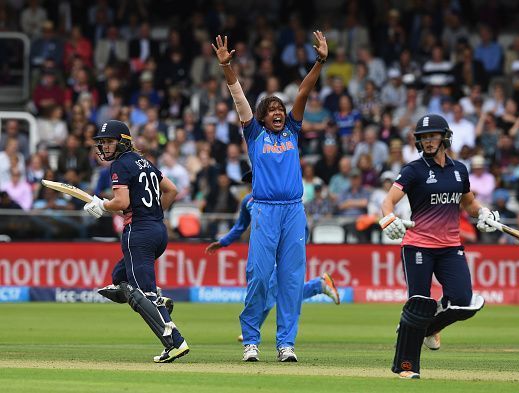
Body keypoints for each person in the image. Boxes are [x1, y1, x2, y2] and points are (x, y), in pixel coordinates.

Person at [212, 31, 328, 362]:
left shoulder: (292, 130)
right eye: (272, 109)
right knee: (260, 277)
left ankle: (285, 344)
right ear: (263, 117)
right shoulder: (254, 134)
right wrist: (227, 67)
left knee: (291, 282)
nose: (278, 112)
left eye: (280, 108)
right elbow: (238, 98)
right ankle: (251, 339)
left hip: (293, 211)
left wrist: (320, 61)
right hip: (264, 210)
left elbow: (304, 90)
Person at [379, 114, 500, 379]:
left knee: (464, 302)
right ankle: (405, 366)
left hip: (450, 247)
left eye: (432, 135)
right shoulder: (414, 170)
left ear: (444, 137)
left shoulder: (460, 170)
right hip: (418, 245)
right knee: (419, 304)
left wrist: (483, 213)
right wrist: (388, 218)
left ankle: (426, 329)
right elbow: (388, 202)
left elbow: (468, 204)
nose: (427, 141)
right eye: (423, 137)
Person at [83, 120, 189, 363]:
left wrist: (102, 205)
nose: (104, 147)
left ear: (122, 142)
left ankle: (176, 342)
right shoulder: (145, 163)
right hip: (158, 231)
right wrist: (153, 213)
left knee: (145, 291)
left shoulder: (120, 164)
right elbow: (171, 190)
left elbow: (120, 202)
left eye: (108, 142)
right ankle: (157, 302)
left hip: (138, 233)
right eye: (101, 143)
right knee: (120, 278)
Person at [205, 171, 340, 343]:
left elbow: (299, 223)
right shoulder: (248, 202)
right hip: (265, 248)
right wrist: (223, 242)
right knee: (278, 288)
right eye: (252, 182)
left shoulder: (281, 200)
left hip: (285, 245)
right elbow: (240, 226)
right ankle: (318, 286)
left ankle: (253, 331)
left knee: (275, 287)